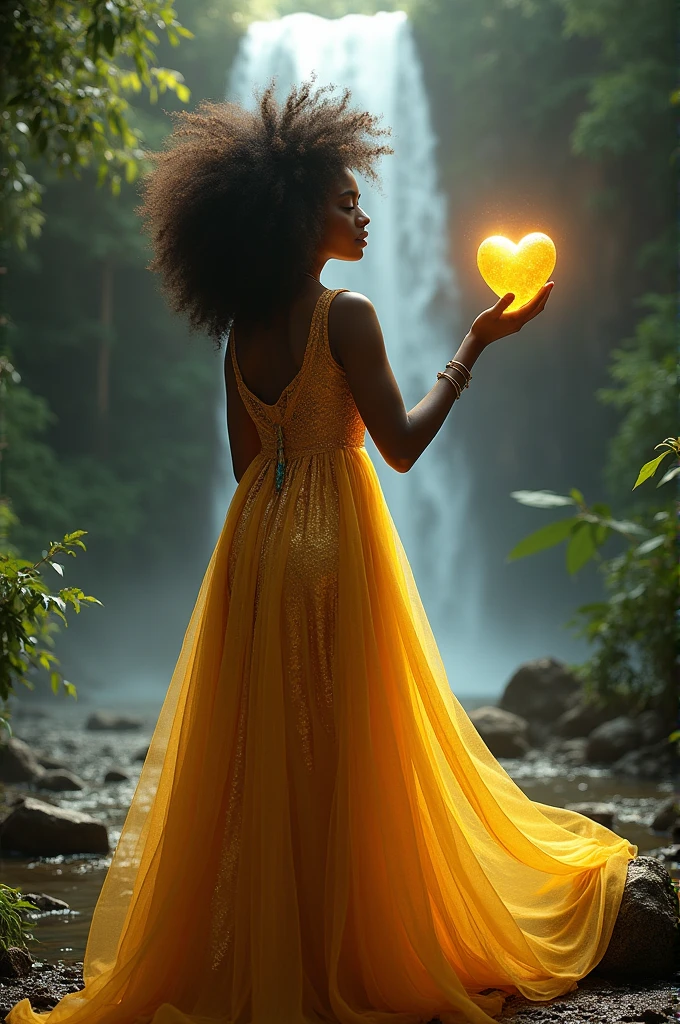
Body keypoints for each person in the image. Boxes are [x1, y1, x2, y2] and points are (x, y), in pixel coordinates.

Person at [5, 75, 636, 1024]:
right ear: (299, 216)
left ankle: (275, 949)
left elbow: (243, 460)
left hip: (256, 543)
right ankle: (353, 945)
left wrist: (289, 486)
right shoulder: (349, 314)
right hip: (337, 538)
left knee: (268, 758)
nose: (362, 213)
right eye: (344, 201)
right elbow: (402, 447)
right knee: (351, 751)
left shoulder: (238, 333)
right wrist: (474, 343)